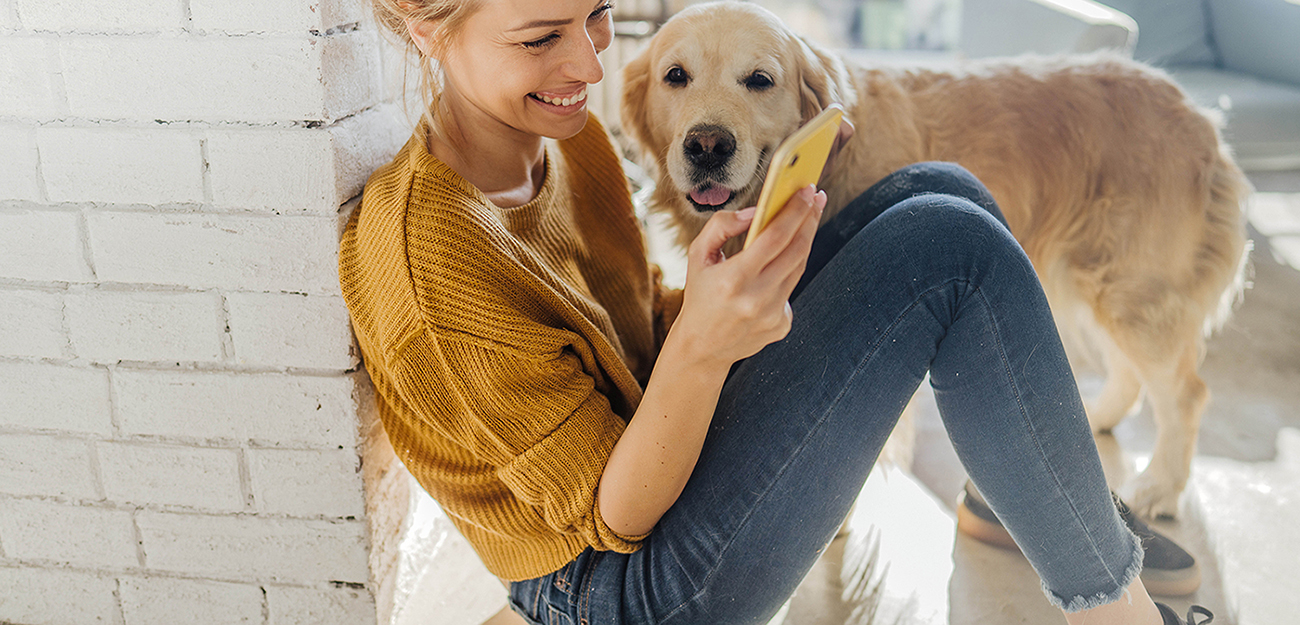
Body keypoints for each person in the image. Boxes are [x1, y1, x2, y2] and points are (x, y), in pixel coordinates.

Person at [338, 0, 1215, 623]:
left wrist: (717, 299)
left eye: (593, 16)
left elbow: (634, 324)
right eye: (540, 38)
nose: (587, 66)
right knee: (948, 248)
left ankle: (1046, 518)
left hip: (655, 474)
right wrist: (708, 345)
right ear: (428, 29)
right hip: (618, 587)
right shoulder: (433, 257)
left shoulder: (563, 141)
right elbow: (614, 515)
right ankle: (1120, 616)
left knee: (938, 193)